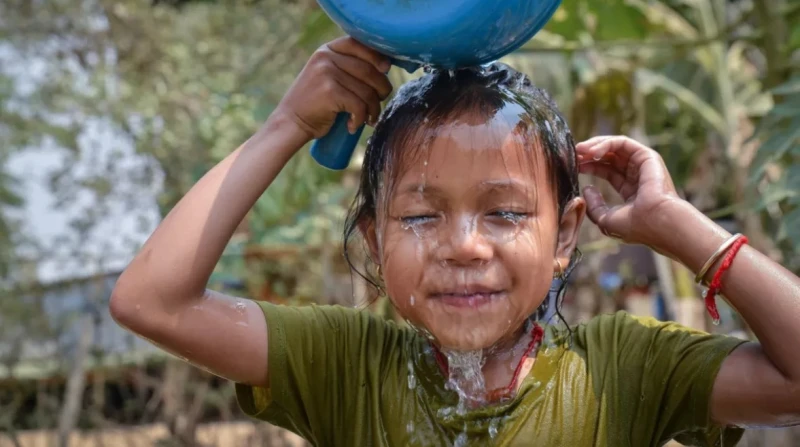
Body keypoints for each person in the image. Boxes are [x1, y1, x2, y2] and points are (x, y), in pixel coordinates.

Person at [109, 37, 800, 446]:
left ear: (564, 236)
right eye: (419, 216)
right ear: (376, 239)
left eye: (503, 213)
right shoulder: (345, 365)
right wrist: (286, 123)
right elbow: (152, 300)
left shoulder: (624, 368)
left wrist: (683, 227)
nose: (464, 246)